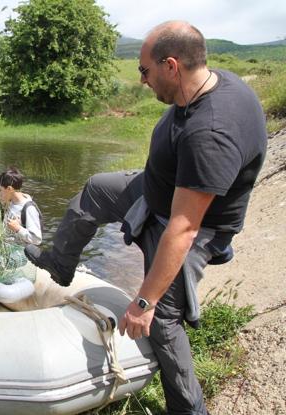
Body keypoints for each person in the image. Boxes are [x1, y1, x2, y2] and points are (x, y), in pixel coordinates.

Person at [24, 21, 267, 414]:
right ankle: (60, 263)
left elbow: (185, 228)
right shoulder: (206, 85)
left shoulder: (211, 133)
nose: (141, 81)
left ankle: (188, 409)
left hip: (192, 222)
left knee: (163, 321)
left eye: (144, 71)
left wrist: (144, 301)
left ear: (171, 66)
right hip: (158, 189)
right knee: (96, 189)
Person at [0, 167, 42, 245]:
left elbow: (37, 240)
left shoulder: (29, 208)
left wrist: (18, 229)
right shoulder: (10, 203)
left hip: (20, 255)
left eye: (0, 190)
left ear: (9, 189)